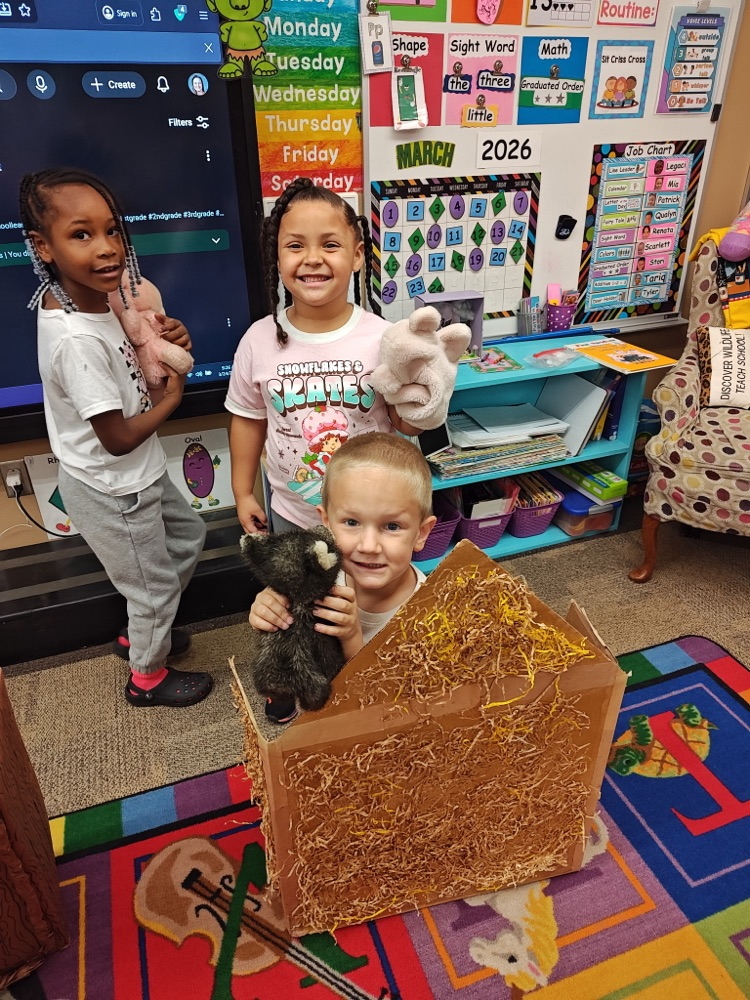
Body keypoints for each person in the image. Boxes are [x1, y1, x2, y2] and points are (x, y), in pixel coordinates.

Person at [20, 167, 212, 708]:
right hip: (114, 486)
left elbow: (144, 353)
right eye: (81, 235)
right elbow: (116, 439)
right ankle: (146, 677)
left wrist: (172, 334)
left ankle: (143, 626)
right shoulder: (73, 341)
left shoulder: (105, 300)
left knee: (188, 536)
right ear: (44, 247)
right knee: (150, 589)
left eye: (113, 231)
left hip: (140, 474)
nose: (106, 249)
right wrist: (173, 401)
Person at [226, 177, 419, 535]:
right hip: (291, 514)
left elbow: (405, 424)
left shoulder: (385, 338)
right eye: (295, 245)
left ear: (357, 255)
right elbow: (248, 419)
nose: (312, 259)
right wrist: (241, 493)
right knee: (302, 591)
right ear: (277, 257)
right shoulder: (257, 340)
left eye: (330, 245)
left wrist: (425, 402)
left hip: (372, 513)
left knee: (370, 590)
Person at [249, 432, 437, 722]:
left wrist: (351, 637)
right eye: (351, 522)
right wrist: (267, 609)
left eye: (392, 526)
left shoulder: (428, 611)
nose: (369, 546)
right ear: (326, 523)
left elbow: (387, 695)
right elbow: (290, 631)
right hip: (322, 715)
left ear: (421, 533)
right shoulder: (319, 579)